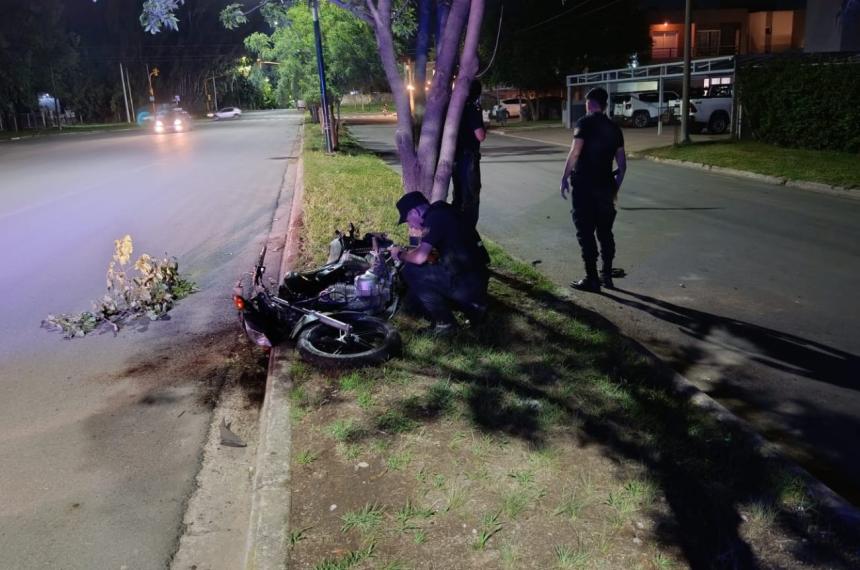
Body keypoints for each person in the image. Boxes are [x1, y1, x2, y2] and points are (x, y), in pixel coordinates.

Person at [390, 191, 489, 335]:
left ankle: (445, 324)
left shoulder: (434, 219)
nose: (410, 225)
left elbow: (419, 258)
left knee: (411, 271)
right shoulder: (442, 211)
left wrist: (399, 254)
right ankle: (473, 308)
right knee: (422, 270)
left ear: (415, 212)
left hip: (466, 283)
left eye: (408, 220)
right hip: (476, 276)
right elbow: (432, 256)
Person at [559, 87, 627, 292]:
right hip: (605, 186)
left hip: (584, 187)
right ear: (605, 105)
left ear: (589, 103)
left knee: (585, 232)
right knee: (605, 232)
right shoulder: (614, 128)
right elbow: (622, 165)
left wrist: (564, 177)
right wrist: (615, 187)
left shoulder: (584, 123)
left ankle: (592, 278)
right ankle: (607, 275)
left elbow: (575, 153)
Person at [452, 79, 486, 230]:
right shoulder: (472, 108)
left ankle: (456, 230)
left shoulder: (455, 108)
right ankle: (468, 233)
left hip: (455, 158)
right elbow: (480, 136)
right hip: (469, 159)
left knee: (458, 196)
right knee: (471, 197)